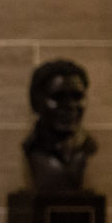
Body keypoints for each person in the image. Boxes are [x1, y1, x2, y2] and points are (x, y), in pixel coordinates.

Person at [23, 59, 96, 191]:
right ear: (36, 102)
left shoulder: (87, 148)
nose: (70, 105)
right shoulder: (33, 149)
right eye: (58, 97)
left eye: (77, 97)